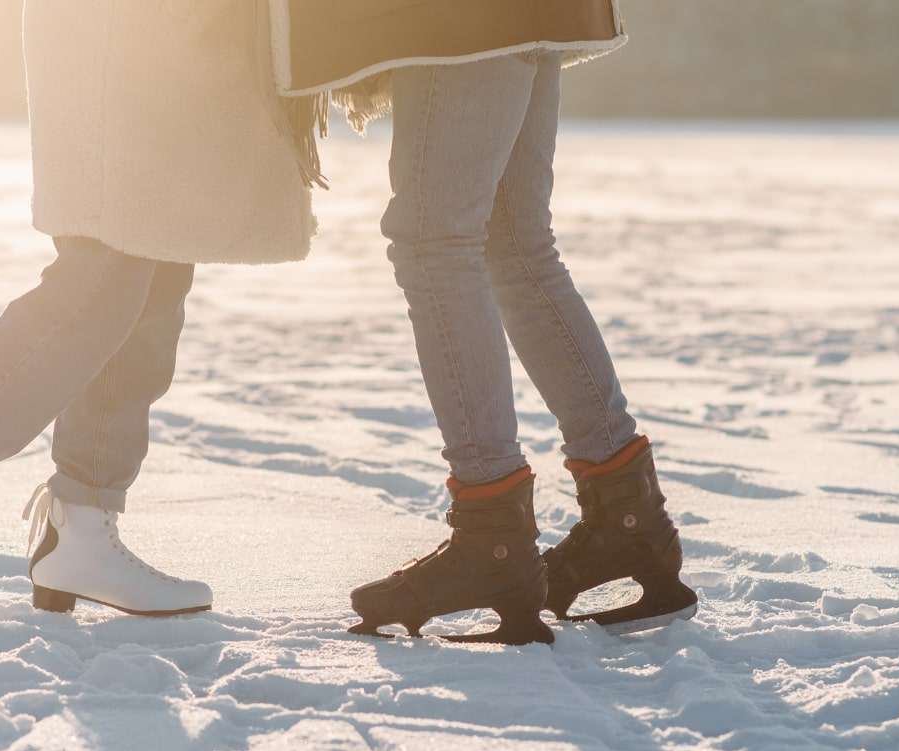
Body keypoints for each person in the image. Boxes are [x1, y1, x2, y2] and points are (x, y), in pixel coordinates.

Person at [0, 0, 315, 626]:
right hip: (123, 27)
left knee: (157, 265)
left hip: (189, 33)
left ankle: (83, 528)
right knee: (105, 276)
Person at [271, 0, 699, 644]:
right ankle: (624, 521)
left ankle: (491, 538)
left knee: (434, 243)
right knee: (516, 244)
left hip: (460, 17)